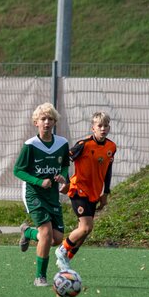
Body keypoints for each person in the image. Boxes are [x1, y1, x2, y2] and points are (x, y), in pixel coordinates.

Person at [14, 102, 70, 287]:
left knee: (56, 239)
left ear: (55, 122)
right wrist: (39, 181)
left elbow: (64, 165)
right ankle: (40, 277)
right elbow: (18, 170)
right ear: (36, 122)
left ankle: (28, 232)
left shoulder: (62, 143)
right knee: (45, 233)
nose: (47, 122)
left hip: (52, 196)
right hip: (34, 194)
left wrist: (63, 177)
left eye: (50, 119)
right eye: (43, 119)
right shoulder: (30, 145)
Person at [55, 112, 116, 272]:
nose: (103, 129)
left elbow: (108, 170)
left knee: (84, 232)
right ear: (93, 128)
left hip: (94, 193)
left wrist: (105, 193)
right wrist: (66, 182)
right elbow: (64, 160)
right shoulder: (83, 145)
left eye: (106, 126)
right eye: (99, 126)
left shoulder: (111, 147)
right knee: (86, 227)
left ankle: (66, 259)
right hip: (78, 189)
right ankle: (62, 249)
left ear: (109, 128)